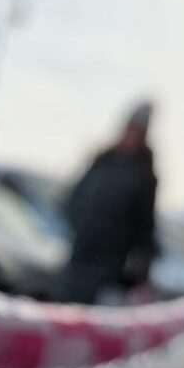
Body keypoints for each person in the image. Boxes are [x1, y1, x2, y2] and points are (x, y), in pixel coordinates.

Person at [57, 102, 159, 304]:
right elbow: (74, 198)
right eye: (130, 128)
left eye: (138, 130)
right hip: (81, 250)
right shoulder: (103, 161)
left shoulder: (144, 174)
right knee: (65, 302)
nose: (132, 134)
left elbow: (145, 223)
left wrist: (140, 261)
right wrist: (80, 227)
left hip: (110, 262)